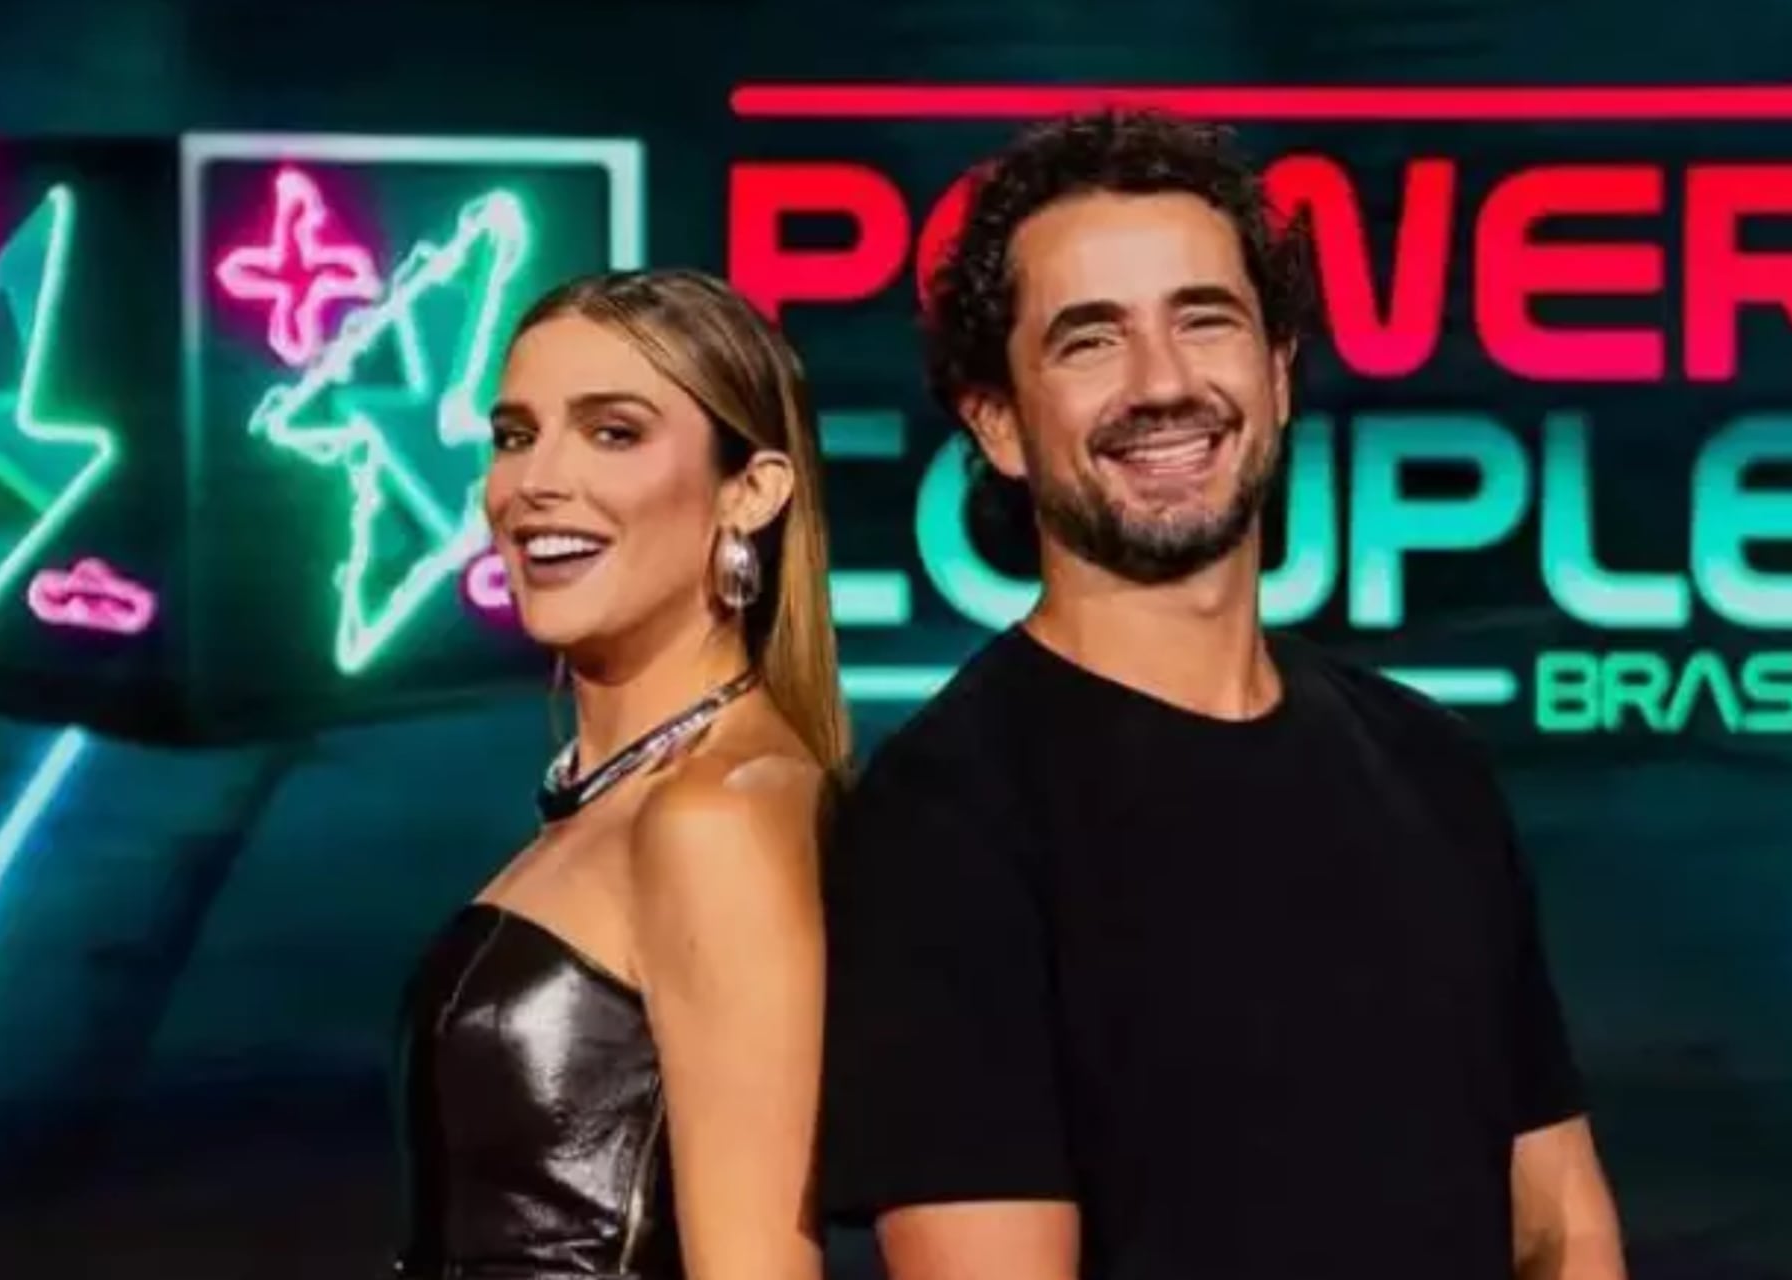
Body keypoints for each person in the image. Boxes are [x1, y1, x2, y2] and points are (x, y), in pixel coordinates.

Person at [816, 111, 1628, 1280]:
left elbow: (1560, 1228)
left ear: (1278, 371)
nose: (1163, 383)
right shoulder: (947, 816)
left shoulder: (1428, 761)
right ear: (997, 422)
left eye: (1205, 319)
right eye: (1091, 340)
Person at [395, 268, 845, 1280]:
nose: (535, 482)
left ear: (751, 491)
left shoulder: (717, 815)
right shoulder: (622, 798)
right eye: (516, 435)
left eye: (612, 432)